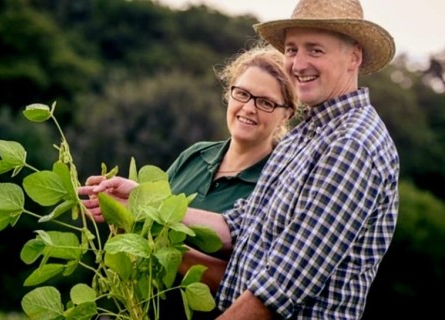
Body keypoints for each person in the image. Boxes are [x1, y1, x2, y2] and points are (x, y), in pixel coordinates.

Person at [81, 0, 400, 317]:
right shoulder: (306, 137)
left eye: (315, 50)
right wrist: (139, 201)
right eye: (292, 49)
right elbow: (242, 225)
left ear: (353, 56)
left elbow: (280, 289)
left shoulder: (350, 143)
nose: (299, 64)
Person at [79, 43, 297, 319]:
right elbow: (145, 230)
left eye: (265, 102)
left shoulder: (283, 181)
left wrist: (168, 250)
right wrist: (125, 213)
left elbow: (255, 289)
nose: (249, 108)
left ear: (287, 113)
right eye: (241, 94)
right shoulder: (195, 156)